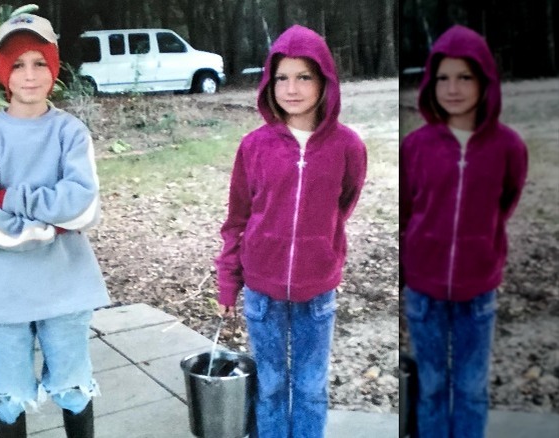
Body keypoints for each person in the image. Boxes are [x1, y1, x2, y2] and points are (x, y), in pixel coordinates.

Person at [0, 13, 109, 438]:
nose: (29, 75)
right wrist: (50, 227)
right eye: (18, 63)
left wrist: (13, 198)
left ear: (54, 68)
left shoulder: (71, 133)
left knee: (74, 388)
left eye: (39, 62)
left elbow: (83, 209)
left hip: (66, 288)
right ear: (3, 71)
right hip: (2, 294)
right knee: (9, 394)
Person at [215, 24, 367, 438]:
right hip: (262, 290)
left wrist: (321, 247)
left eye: (304, 77)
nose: (292, 88)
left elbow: (344, 203)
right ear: (268, 83)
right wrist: (228, 281)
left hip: (317, 292)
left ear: (325, 82)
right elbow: (238, 219)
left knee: (311, 386)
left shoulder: (347, 147)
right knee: (271, 384)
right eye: (281, 77)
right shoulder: (254, 146)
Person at [400, 25, 528, 438]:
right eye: (442, 77)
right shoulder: (416, 146)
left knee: (471, 389)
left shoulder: (508, 147)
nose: (452, 88)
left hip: (478, 293)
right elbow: (406, 211)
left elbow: (504, 204)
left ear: (484, 81)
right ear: (430, 83)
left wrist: (479, 248)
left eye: (465, 77)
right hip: (424, 293)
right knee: (433, 387)